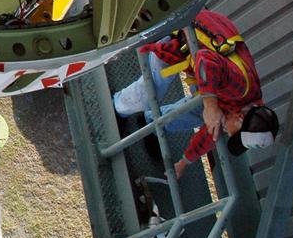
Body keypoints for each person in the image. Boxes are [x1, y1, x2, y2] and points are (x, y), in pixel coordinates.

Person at [113, 9, 280, 178]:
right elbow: (205, 58)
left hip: (194, 47)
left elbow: (211, 132)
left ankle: (152, 123)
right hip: (181, 29)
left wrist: (184, 162)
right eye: (234, 134)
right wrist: (210, 105)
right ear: (240, 119)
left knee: (204, 114)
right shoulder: (241, 88)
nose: (229, 134)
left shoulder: (247, 105)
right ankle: (117, 109)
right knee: (147, 95)